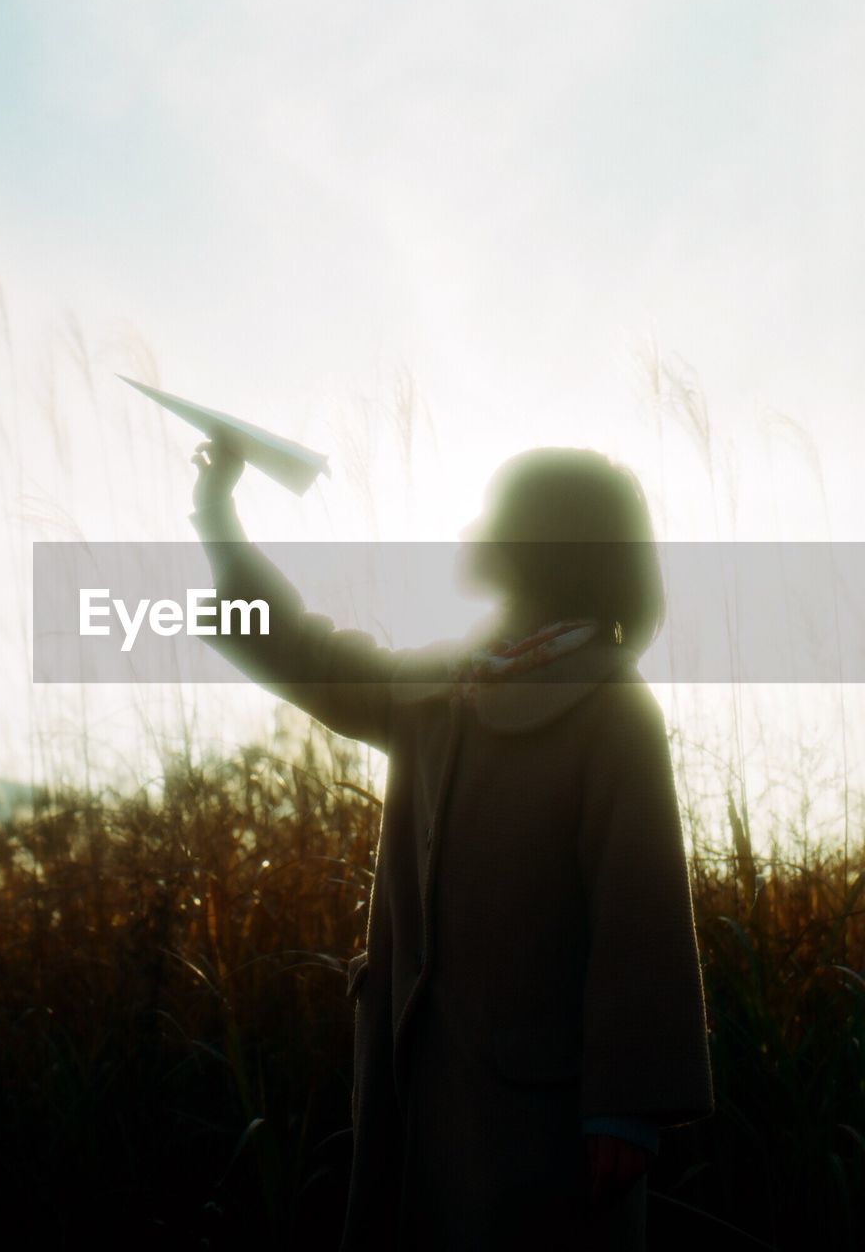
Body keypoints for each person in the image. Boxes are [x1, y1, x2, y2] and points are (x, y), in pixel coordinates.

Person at [187, 439, 714, 1251]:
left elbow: (640, 910)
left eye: (494, 515)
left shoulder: (611, 705)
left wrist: (626, 1106)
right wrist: (219, 520)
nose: (474, 528)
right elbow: (307, 653)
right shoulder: (447, 683)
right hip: (419, 1093)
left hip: (541, 1114)